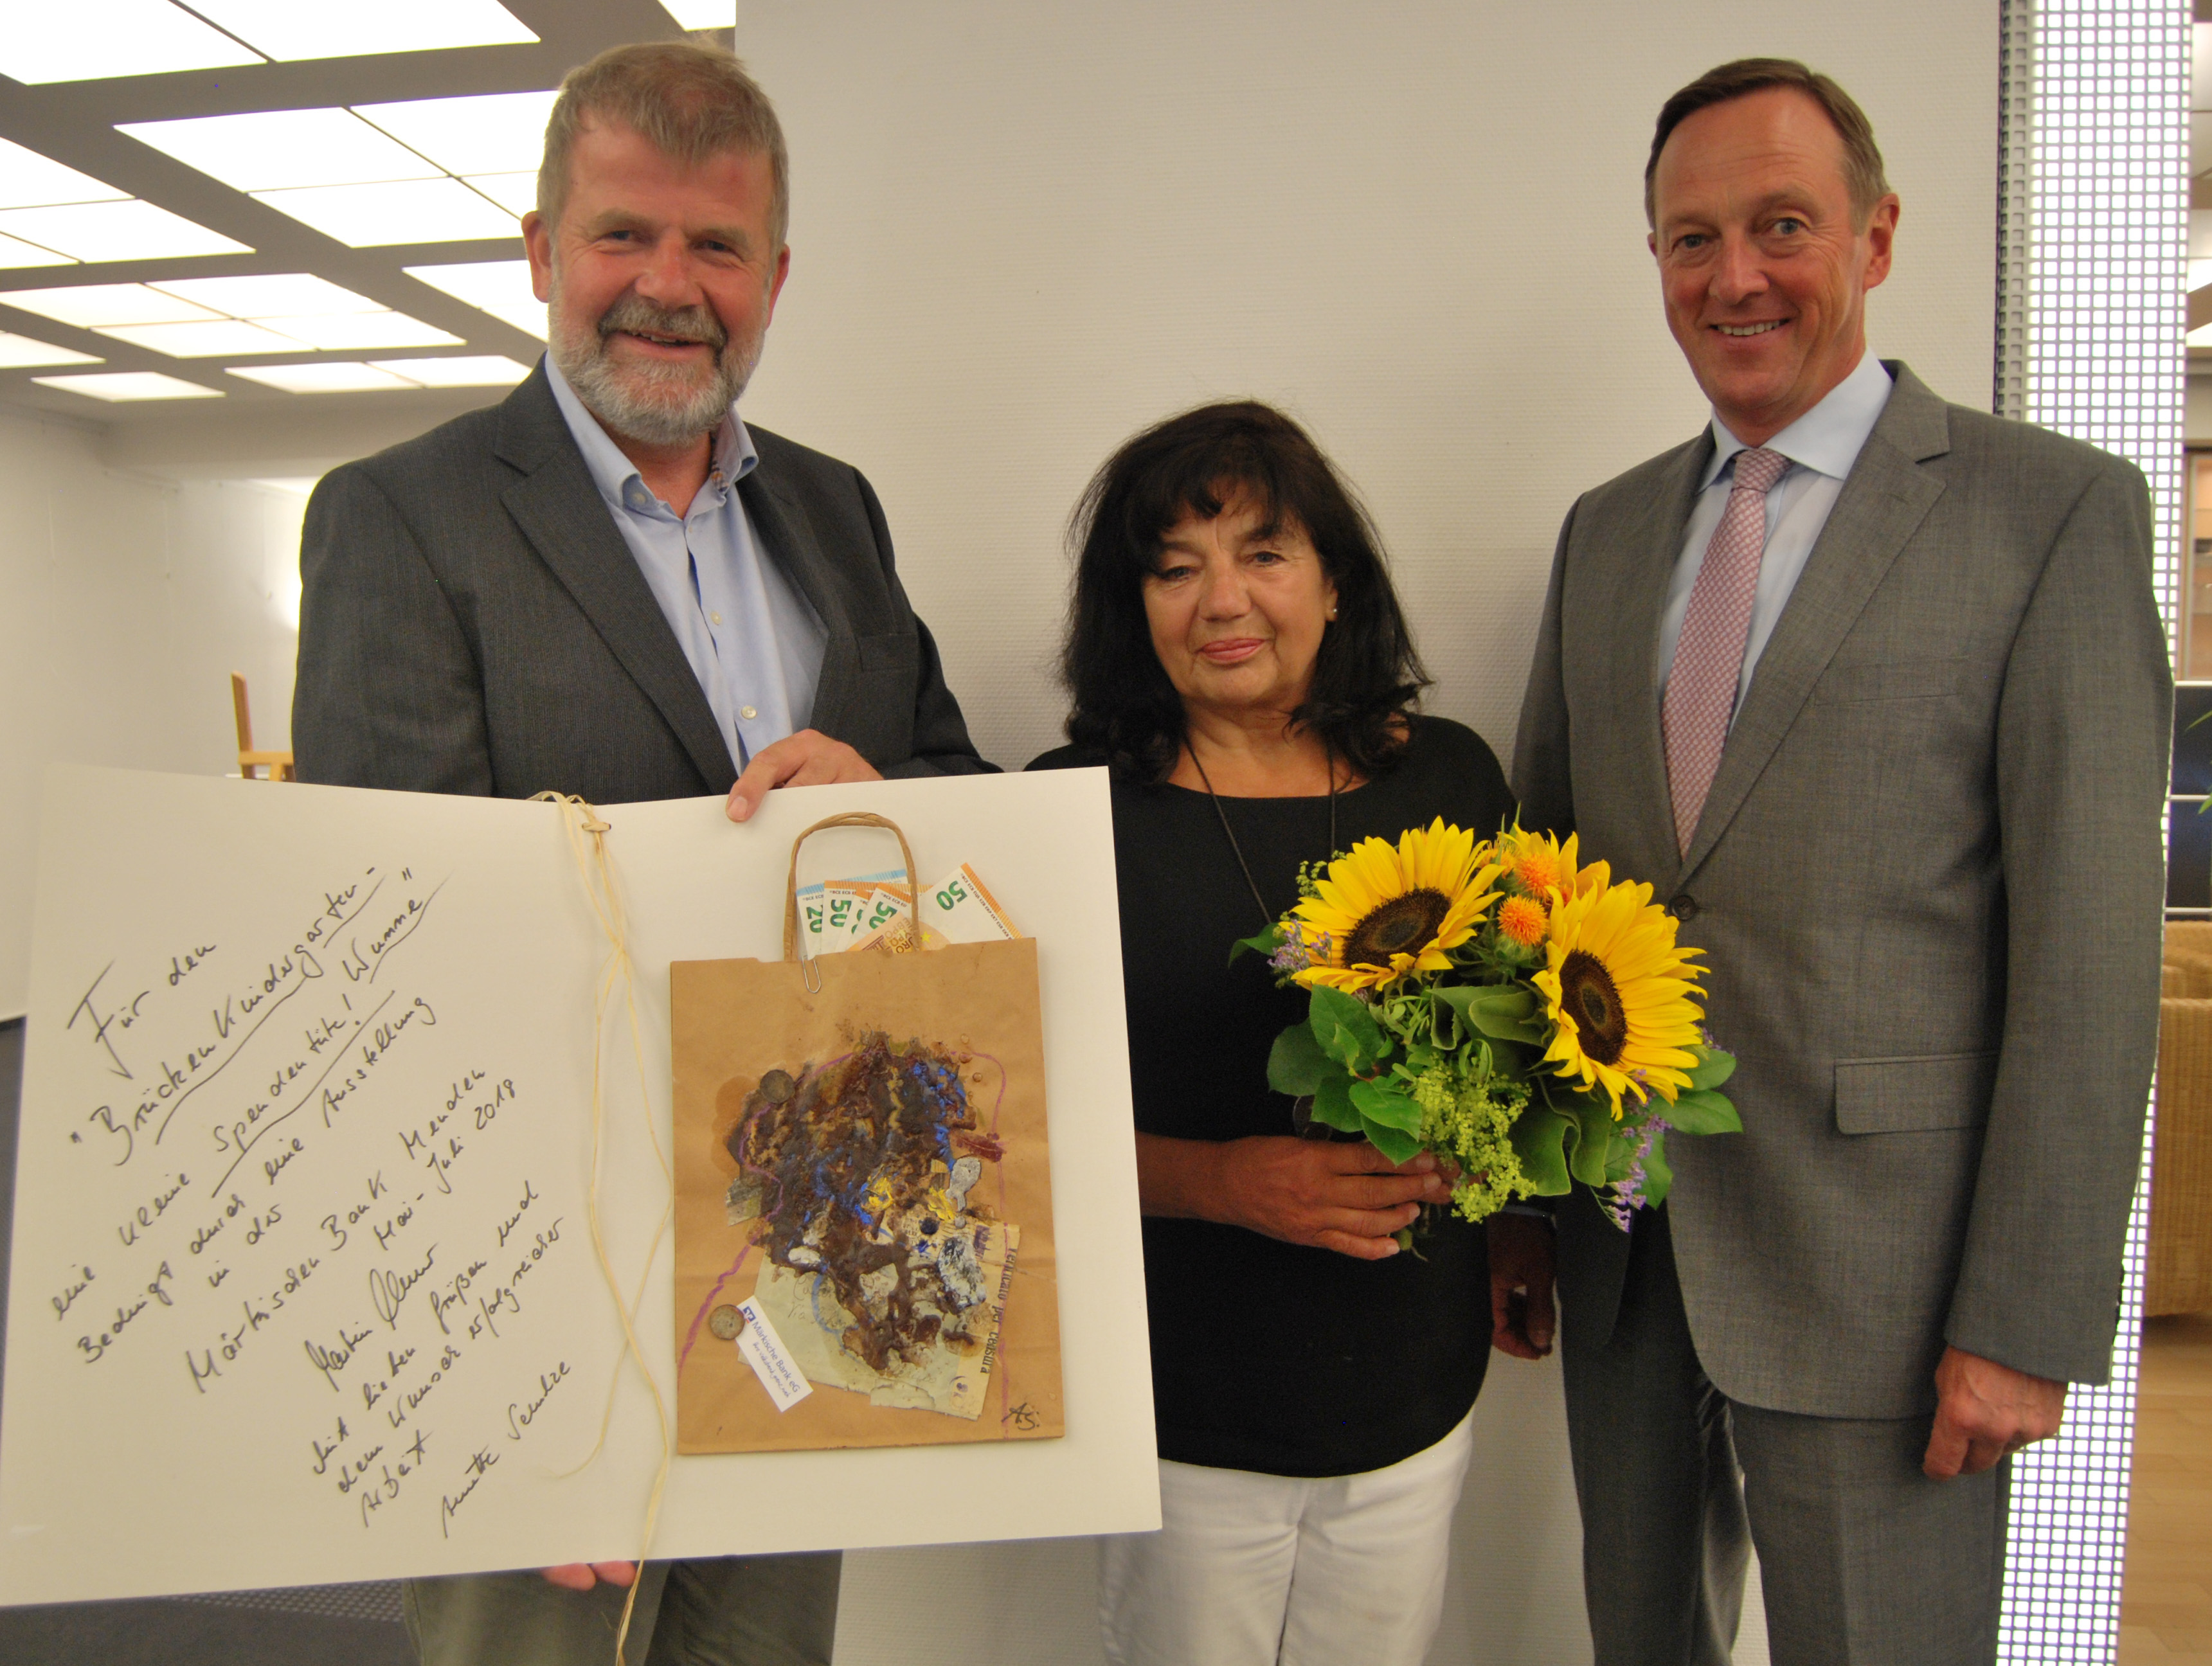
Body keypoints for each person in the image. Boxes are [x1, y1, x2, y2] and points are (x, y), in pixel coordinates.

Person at [292, 40, 990, 1666]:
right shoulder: (403, 519)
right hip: (548, 1295)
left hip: (814, 1263)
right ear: (542, 250)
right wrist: (505, 1367)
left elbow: (950, 792)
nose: (668, 286)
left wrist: (878, 797)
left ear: (774, 278)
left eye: (716, 246)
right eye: (623, 234)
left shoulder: (839, 511)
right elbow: (393, 976)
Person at [1495, 57, 2170, 1666]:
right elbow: (1536, 883)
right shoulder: (1603, 533)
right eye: (1690, 238)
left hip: (1890, 1288)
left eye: (1779, 225)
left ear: (1873, 237)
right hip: (1624, 1252)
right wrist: (1518, 1206)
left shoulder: (2047, 514)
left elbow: (2087, 958)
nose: (1732, 275)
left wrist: (2022, 1317)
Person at [1029, 401, 1513, 1666]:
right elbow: (999, 1137)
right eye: (1173, 569)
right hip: (1184, 1411)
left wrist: (1510, 1199)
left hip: (1412, 1385)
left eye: (1263, 553)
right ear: (1132, 608)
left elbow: (1516, 1049)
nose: (1222, 601)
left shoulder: (1450, 779)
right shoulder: (1065, 812)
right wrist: (1222, 1183)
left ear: (1335, 584)